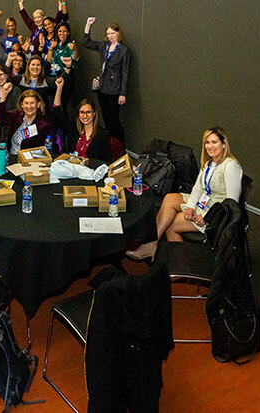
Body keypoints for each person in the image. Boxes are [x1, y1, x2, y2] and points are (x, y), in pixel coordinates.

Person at [128, 127, 242, 260]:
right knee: (169, 198)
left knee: (171, 225)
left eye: (214, 142)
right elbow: (198, 188)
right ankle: (152, 244)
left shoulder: (231, 167)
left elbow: (231, 204)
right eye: (207, 142)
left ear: (223, 144)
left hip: (217, 214)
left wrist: (207, 217)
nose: (210, 146)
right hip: (205, 201)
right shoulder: (209, 163)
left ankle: (181, 262)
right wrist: (191, 207)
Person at [83, 18, 131, 145]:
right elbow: (86, 42)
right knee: (106, 119)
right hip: (102, 88)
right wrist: (88, 25)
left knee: (114, 120)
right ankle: (110, 145)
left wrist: (123, 93)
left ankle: (120, 146)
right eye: (108, 33)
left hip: (115, 89)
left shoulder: (124, 50)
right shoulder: (104, 46)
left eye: (113, 33)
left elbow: (125, 72)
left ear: (118, 34)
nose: (110, 36)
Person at [51, 77, 116, 161]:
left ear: (94, 113)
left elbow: (107, 160)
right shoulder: (74, 129)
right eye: (82, 112)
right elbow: (57, 112)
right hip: (72, 170)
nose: (85, 116)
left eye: (88, 112)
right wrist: (59, 88)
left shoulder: (102, 134)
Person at [0, 90, 55, 154]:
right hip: (11, 156)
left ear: (38, 104)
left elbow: (45, 150)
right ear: (21, 105)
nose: (29, 106)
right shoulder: (17, 116)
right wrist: (3, 98)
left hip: (29, 160)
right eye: (26, 103)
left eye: (32, 103)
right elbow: (0, 116)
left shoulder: (43, 125)